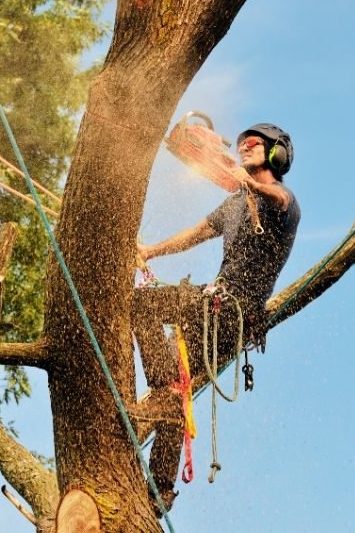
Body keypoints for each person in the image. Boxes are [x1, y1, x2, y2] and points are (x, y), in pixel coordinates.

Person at [130, 123, 300, 515]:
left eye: (254, 144)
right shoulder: (233, 204)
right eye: (241, 145)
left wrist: (251, 184)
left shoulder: (281, 203)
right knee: (175, 388)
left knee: (142, 305)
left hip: (231, 314)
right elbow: (194, 234)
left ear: (277, 154)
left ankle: (161, 389)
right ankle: (159, 489)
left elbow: (279, 197)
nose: (245, 148)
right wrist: (150, 251)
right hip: (208, 309)